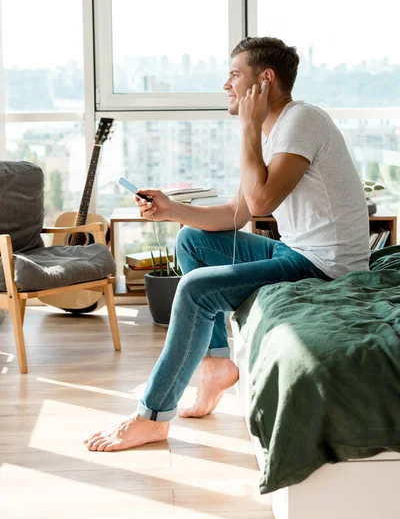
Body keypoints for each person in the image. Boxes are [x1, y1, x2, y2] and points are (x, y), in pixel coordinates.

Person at [84, 37, 370, 452]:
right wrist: (170, 209)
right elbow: (238, 214)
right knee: (192, 241)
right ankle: (217, 364)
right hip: (296, 251)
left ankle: (152, 417)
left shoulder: (301, 121)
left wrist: (248, 127)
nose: (226, 84)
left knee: (196, 289)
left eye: (235, 74)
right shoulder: (275, 132)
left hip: (325, 267)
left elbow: (260, 202)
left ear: (265, 80)